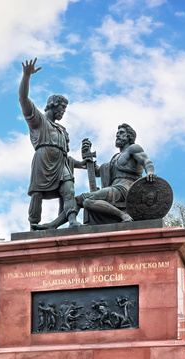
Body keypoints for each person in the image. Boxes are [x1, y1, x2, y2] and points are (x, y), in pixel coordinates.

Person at [19, 58, 85, 230]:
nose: (63, 112)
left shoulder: (62, 130)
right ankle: (34, 224)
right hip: (43, 159)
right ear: (53, 106)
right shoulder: (38, 120)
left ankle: (71, 220)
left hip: (61, 163)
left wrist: (81, 164)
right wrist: (26, 76)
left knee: (69, 189)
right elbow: (23, 99)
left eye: (64, 110)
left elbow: (66, 156)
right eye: (61, 109)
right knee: (37, 193)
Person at [79, 124, 155, 224]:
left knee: (87, 199)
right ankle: (62, 224)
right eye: (117, 134)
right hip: (115, 189)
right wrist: (87, 157)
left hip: (126, 188)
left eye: (121, 133)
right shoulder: (115, 158)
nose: (118, 135)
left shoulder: (133, 148)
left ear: (129, 136)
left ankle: (123, 215)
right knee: (82, 200)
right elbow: (98, 172)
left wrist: (150, 173)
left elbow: (146, 162)